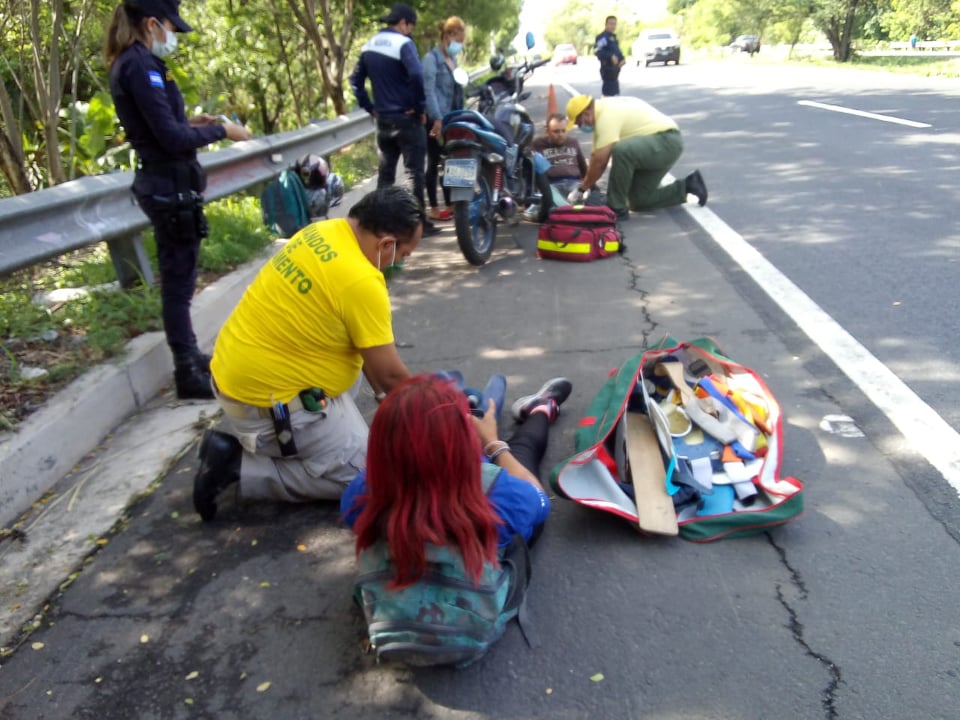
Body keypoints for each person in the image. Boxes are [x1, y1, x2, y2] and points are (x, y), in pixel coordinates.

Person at [192, 187, 423, 522]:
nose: (401, 262)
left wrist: (386, 397)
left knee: (360, 354)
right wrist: (441, 412)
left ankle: (324, 440)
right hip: (268, 409)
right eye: (404, 254)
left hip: (236, 377)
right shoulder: (361, 281)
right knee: (379, 482)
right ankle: (237, 466)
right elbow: (389, 374)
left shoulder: (321, 232)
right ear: (386, 243)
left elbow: (370, 353)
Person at [339, 374, 571, 664]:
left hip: (392, 621)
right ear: (463, 445)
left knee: (441, 400)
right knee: (523, 451)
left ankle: (467, 400)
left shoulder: (361, 492)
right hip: (486, 490)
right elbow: (538, 501)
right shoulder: (500, 491)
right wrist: (492, 443)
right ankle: (540, 409)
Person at [105, 0, 252, 399]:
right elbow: (169, 140)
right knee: (177, 283)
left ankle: (190, 355)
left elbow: (163, 127)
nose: (173, 36)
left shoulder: (139, 63)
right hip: (165, 185)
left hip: (172, 183)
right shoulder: (139, 66)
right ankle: (186, 370)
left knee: (182, 278)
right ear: (152, 23)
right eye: (171, 27)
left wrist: (194, 124)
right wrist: (222, 131)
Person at [350, 3, 440, 237]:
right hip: (407, 118)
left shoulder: (368, 46)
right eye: (410, 26)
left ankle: (381, 225)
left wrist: (370, 107)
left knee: (386, 174)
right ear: (403, 23)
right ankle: (418, 226)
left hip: (383, 121)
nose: (410, 31)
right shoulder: (403, 44)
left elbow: (355, 81)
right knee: (413, 173)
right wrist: (420, 108)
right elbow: (417, 74)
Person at [564, 94, 708, 221]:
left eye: (578, 123)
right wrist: (586, 188)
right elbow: (596, 159)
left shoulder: (606, 115)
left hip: (666, 141)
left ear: (586, 113)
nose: (580, 127)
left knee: (622, 150)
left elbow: (601, 162)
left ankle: (616, 208)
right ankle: (688, 185)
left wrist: (582, 189)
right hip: (655, 146)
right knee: (639, 201)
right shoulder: (602, 115)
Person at [422, 16, 467, 222]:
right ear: (448, 36)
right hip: (436, 118)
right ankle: (433, 206)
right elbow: (429, 91)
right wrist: (437, 119)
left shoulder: (452, 59)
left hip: (451, 118)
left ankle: (451, 203)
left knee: (451, 160)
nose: (460, 45)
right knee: (434, 162)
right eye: (459, 40)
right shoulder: (431, 60)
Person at [531, 112, 589, 194]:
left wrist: (591, 187)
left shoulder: (573, 142)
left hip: (574, 184)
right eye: (556, 131)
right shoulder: (538, 144)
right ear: (547, 131)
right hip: (552, 185)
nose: (560, 135)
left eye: (563, 131)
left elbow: (584, 169)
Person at [594, 15, 625, 97]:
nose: (613, 26)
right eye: (611, 24)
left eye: (614, 24)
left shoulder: (613, 37)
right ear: (606, 24)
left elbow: (617, 51)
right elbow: (598, 51)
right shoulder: (603, 37)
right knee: (608, 95)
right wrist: (610, 56)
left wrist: (622, 58)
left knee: (615, 94)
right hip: (607, 70)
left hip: (615, 71)